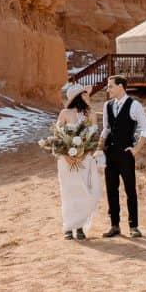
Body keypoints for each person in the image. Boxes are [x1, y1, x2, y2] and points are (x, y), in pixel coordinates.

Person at [97, 75, 146, 238]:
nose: (108, 89)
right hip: (110, 153)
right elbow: (106, 128)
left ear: (120, 86)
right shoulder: (107, 105)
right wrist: (99, 147)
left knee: (130, 190)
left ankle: (133, 226)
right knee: (111, 189)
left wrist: (135, 150)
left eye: (110, 86)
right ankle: (114, 225)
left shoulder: (134, 105)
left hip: (125, 154)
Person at [55, 83, 104, 241]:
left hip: (85, 159)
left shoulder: (91, 113)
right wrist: (66, 155)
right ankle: (69, 227)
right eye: (85, 94)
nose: (88, 96)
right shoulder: (64, 113)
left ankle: (80, 226)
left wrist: (83, 153)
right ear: (78, 97)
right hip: (66, 161)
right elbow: (57, 137)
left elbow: (94, 137)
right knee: (69, 192)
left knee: (85, 191)